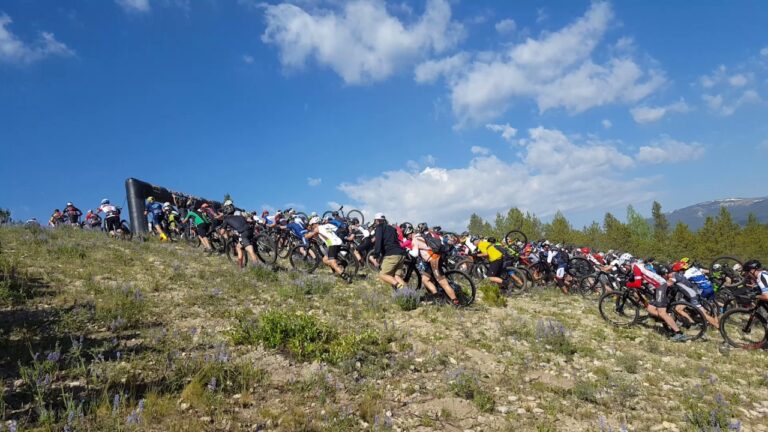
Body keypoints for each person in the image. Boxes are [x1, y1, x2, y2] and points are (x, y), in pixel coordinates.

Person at [623, 254, 689, 342]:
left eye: (625, 266)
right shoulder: (639, 265)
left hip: (660, 286)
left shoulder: (635, 267)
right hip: (659, 285)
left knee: (662, 313)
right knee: (650, 309)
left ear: (628, 264)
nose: (625, 268)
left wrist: (627, 284)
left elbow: (638, 283)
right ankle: (668, 320)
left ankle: (679, 333)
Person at [410, 222, 460, 305]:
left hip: (433, 260)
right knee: (425, 280)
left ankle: (455, 302)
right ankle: (438, 298)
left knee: (442, 282)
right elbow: (444, 243)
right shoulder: (434, 234)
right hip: (438, 258)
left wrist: (407, 251)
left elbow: (415, 254)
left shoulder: (416, 238)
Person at [667, 263, 719, 328]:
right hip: (693, 293)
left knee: (703, 314)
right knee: (678, 308)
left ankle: (718, 327)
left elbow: (669, 283)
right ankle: (692, 323)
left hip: (693, 295)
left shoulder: (678, 276)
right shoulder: (687, 272)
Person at [305, 216, 350, 281]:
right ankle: (339, 265)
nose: (312, 227)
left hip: (333, 244)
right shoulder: (327, 225)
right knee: (325, 260)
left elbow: (309, 235)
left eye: (312, 225)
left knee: (332, 262)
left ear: (314, 224)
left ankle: (345, 276)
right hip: (338, 241)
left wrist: (305, 235)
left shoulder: (317, 228)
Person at [373, 213, 407, 290]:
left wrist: (376, 255)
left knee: (383, 275)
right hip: (401, 253)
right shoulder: (392, 228)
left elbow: (378, 241)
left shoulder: (379, 227)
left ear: (377, 220)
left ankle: (400, 288)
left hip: (392, 254)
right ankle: (409, 293)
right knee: (397, 276)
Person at [218, 204, 259, 268]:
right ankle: (240, 266)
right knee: (238, 247)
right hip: (250, 230)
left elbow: (222, 232)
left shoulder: (226, 219)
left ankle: (255, 262)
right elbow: (248, 220)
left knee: (247, 247)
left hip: (243, 233)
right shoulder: (240, 216)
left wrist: (220, 233)